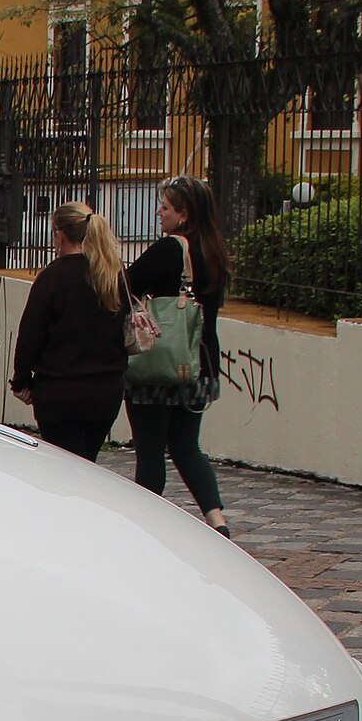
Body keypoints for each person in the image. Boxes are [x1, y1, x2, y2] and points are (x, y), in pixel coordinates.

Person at [124, 175, 232, 534]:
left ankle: (144, 523)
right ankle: (216, 519)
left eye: (166, 207)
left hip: (158, 366)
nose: (159, 212)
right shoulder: (214, 250)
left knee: (150, 449)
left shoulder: (171, 249)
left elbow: (126, 284)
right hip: (199, 365)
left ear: (183, 214)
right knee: (187, 447)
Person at [8, 201, 129, 461]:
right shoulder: (113, 276)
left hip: (60, 392)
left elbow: (30, 335)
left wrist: (21, 381)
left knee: (66, 468)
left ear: (60, 234)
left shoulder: (53, 278)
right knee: (88, 462)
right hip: (105, 391)